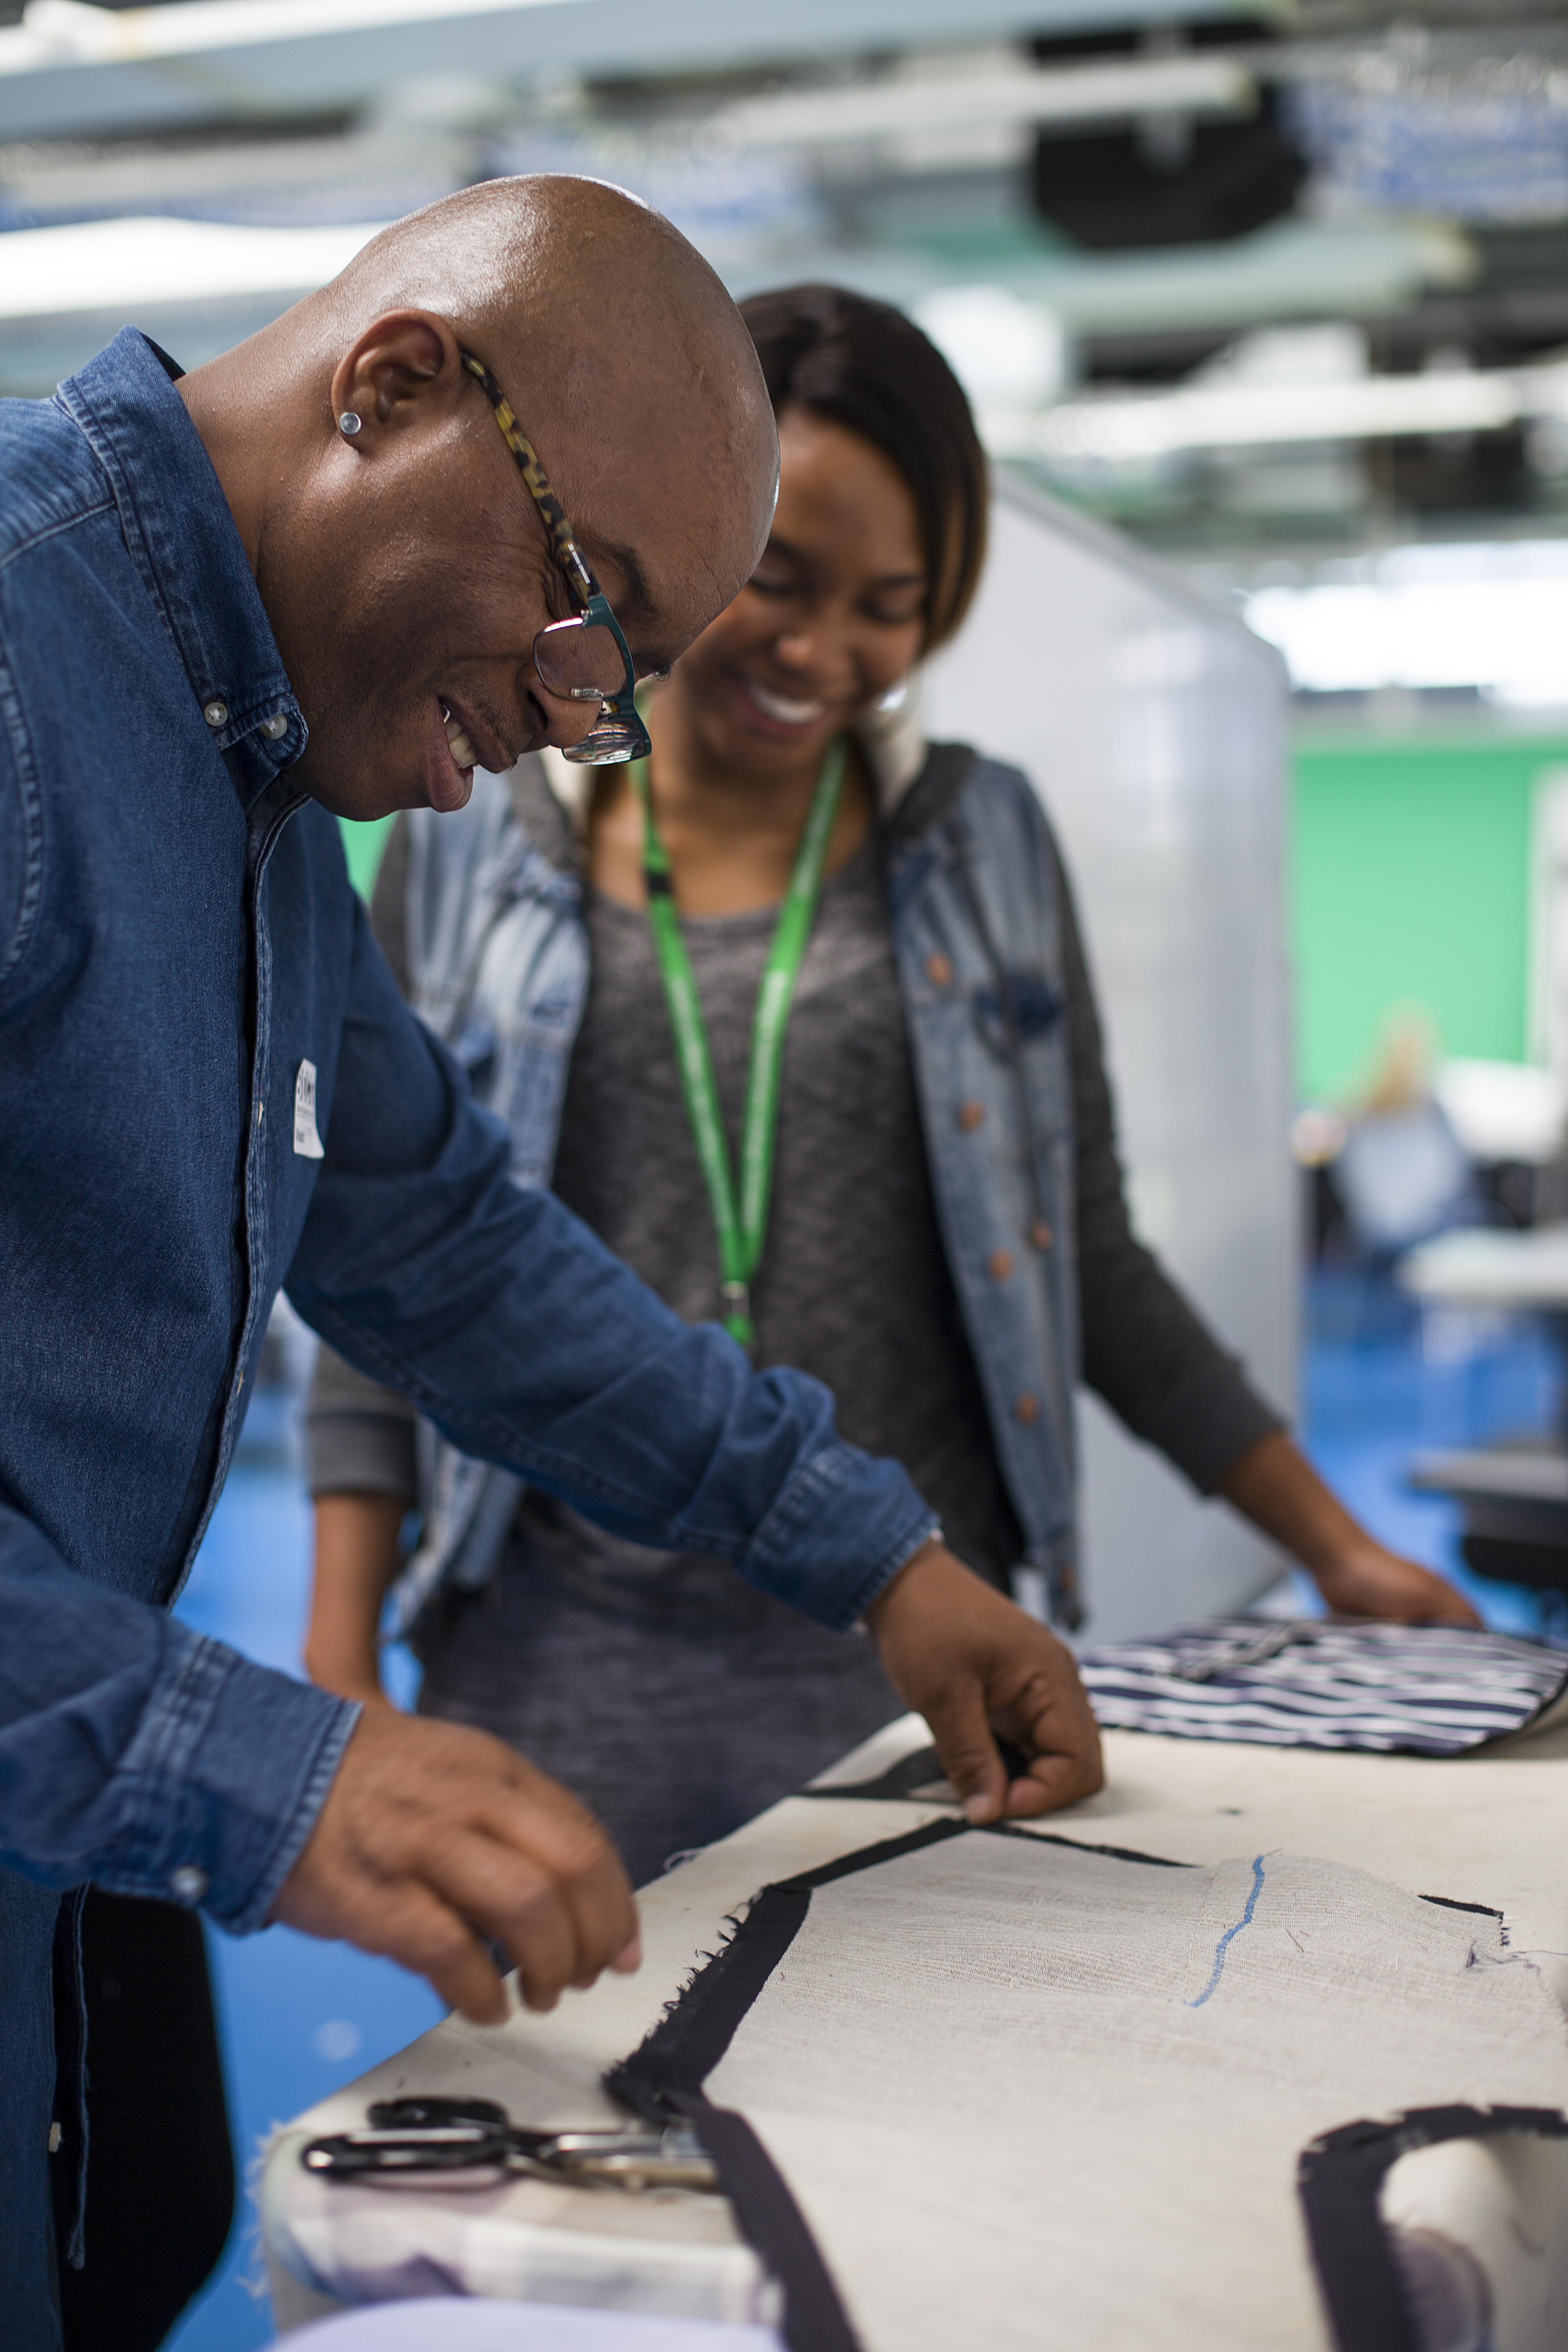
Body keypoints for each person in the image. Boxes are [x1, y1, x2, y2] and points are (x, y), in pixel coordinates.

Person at [0, 189, 1103, 2348]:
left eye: (630, 678)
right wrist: (248, 1755)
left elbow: (443, 1241)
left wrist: (879, 1554)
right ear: (394, 386)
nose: (567, 714)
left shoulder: (247, 770)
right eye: (585, 610)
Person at [303, 283, 1478, 1891]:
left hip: (916, 1639)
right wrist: (343, 1664)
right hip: (554, 1660)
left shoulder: (977, 847)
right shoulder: (470, 840)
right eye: (777, 578)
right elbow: (392, 1277)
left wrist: (1333, 1547)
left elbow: (1094, 1262)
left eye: (890, 604)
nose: (821, 651)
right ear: (685, 537)